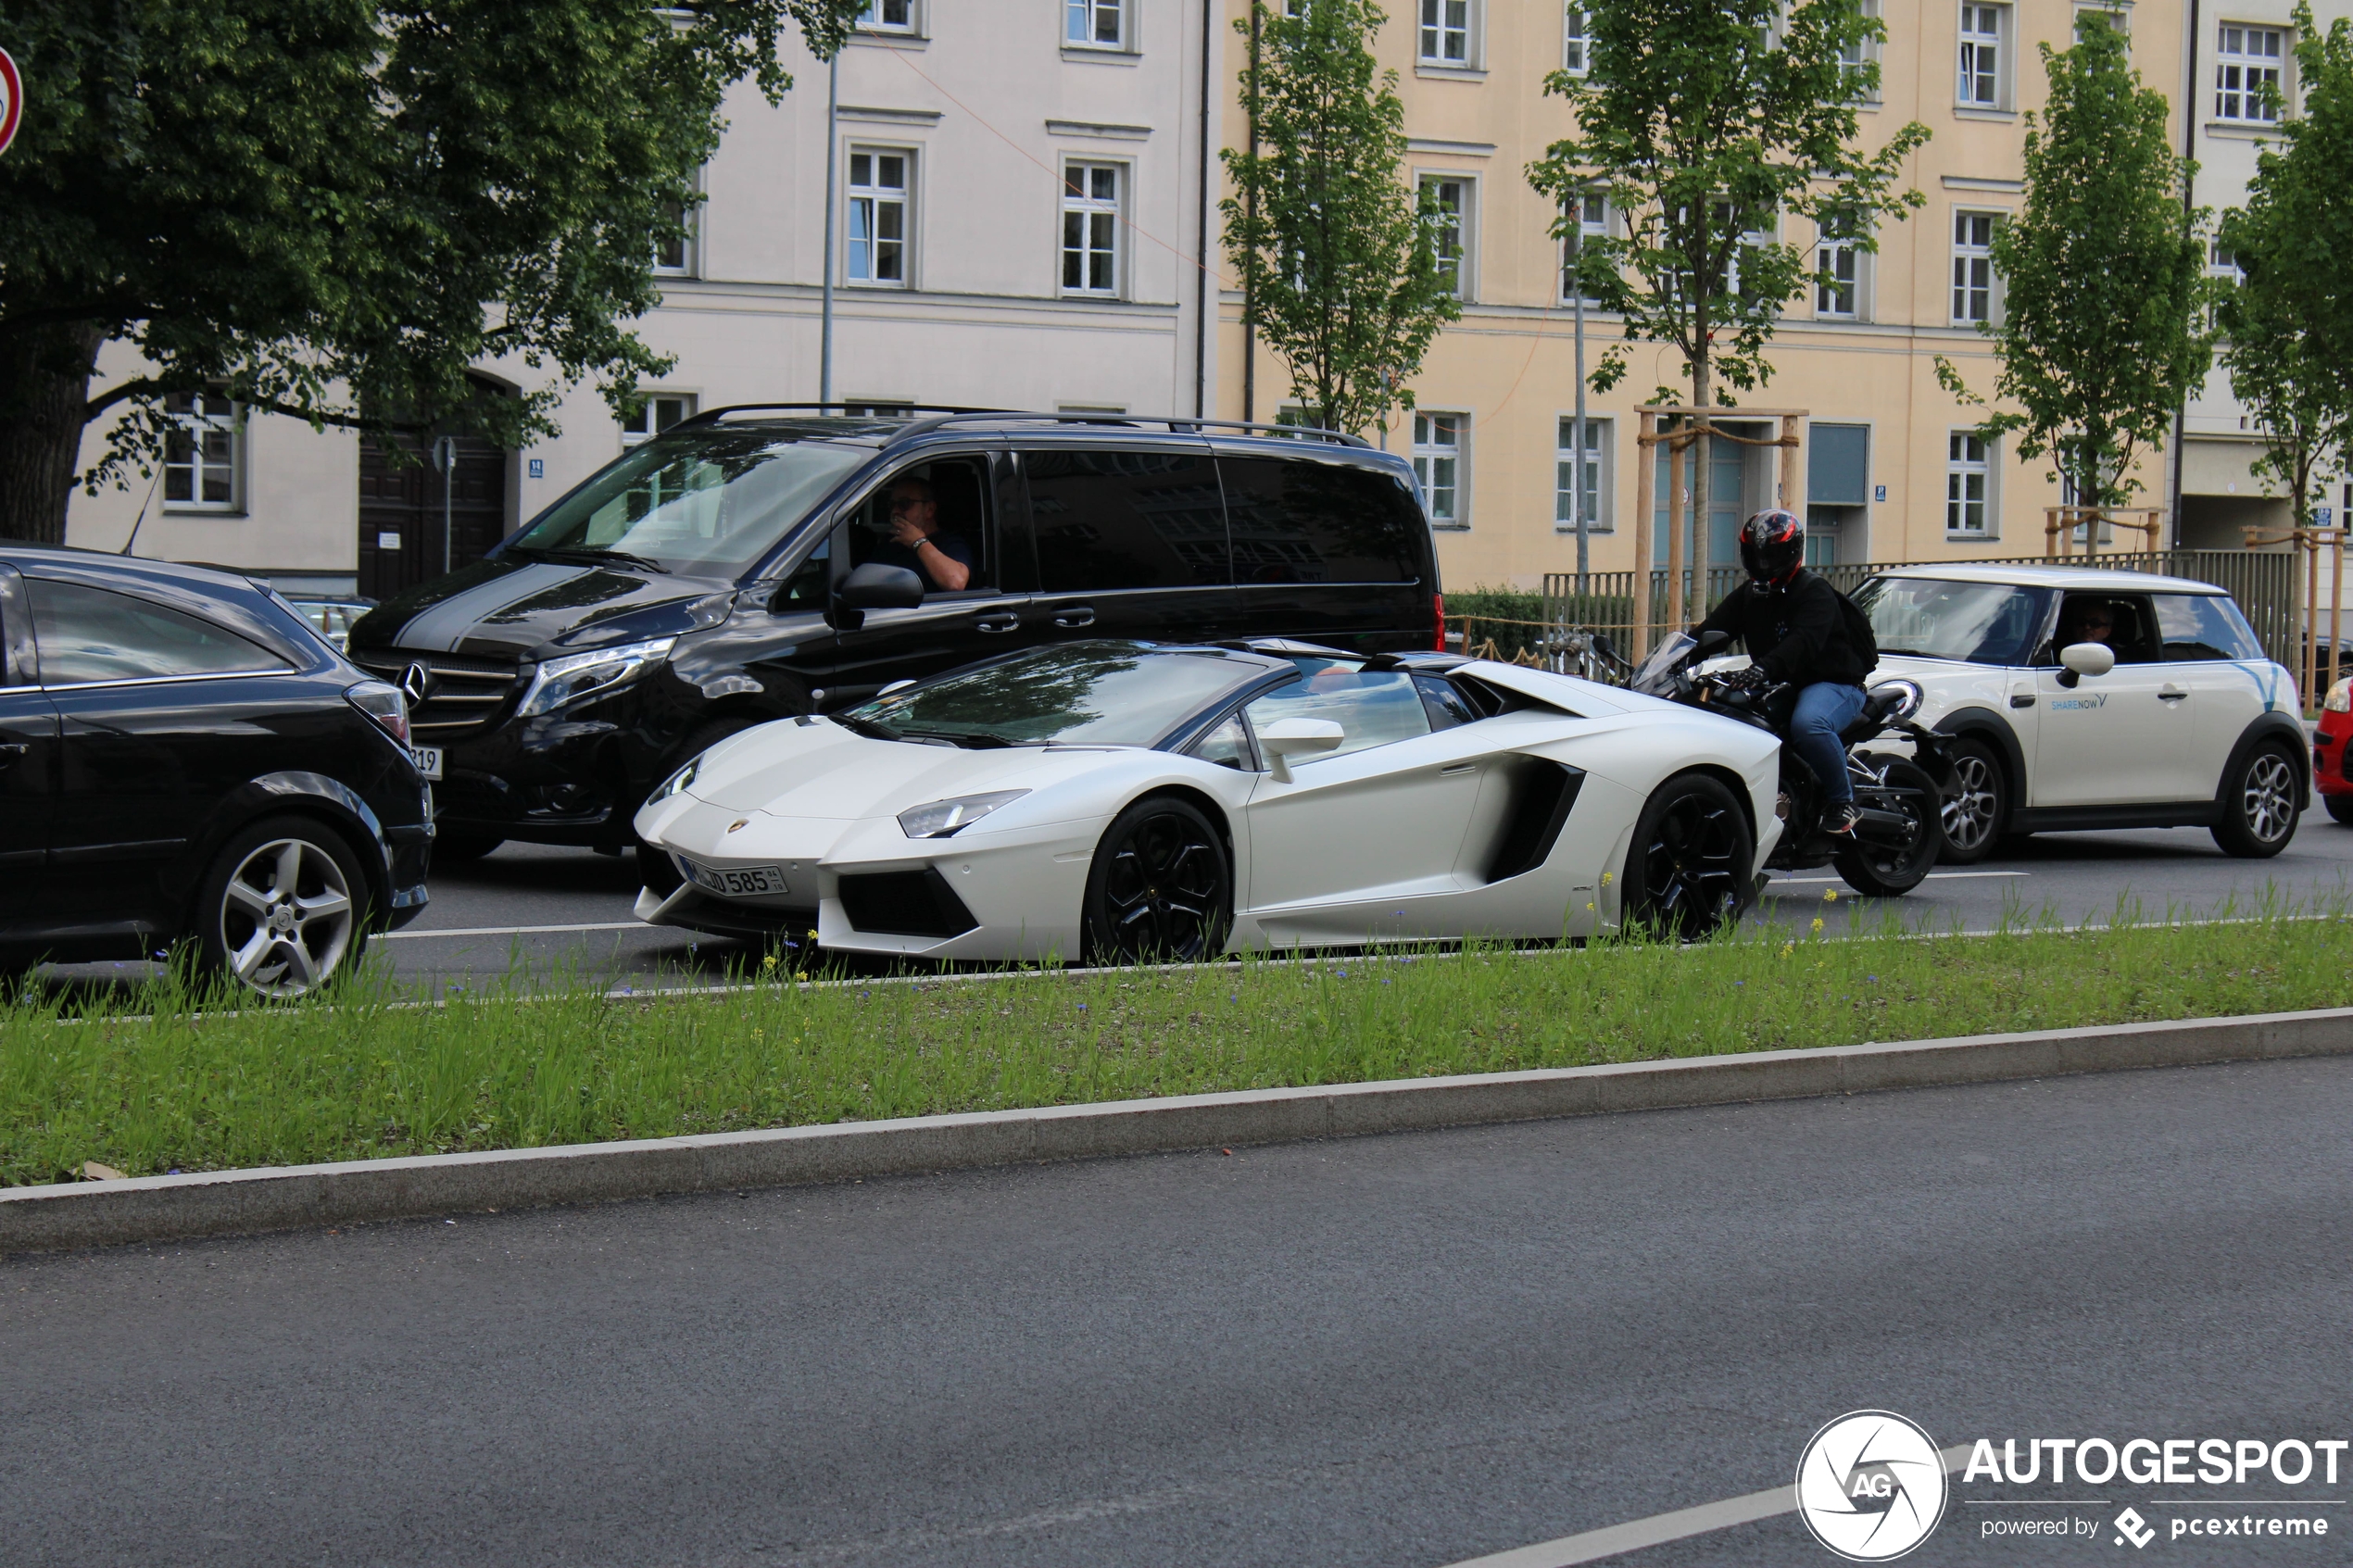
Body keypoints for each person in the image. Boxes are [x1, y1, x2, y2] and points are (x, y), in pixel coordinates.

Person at [1695, 509, 1876, 834]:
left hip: (1833, 683)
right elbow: (1711, 631)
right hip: (1784, 683)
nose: (1763, 562)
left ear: (1792, 552)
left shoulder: (1813, 591)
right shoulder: (1751, 595)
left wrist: (1763, 668)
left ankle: (1842, 799)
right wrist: (1671, 657)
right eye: (1756, 554)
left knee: (1809, 725)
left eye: (1771, 554)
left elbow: (1803, 642)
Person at [874, 476, 973, 592]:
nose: (895, 511)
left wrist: (918, 542)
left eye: (904, 504)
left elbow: (956, 582)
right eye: (892, 505)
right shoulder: (889, 544)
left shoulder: (951, 544)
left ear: (929, 510)